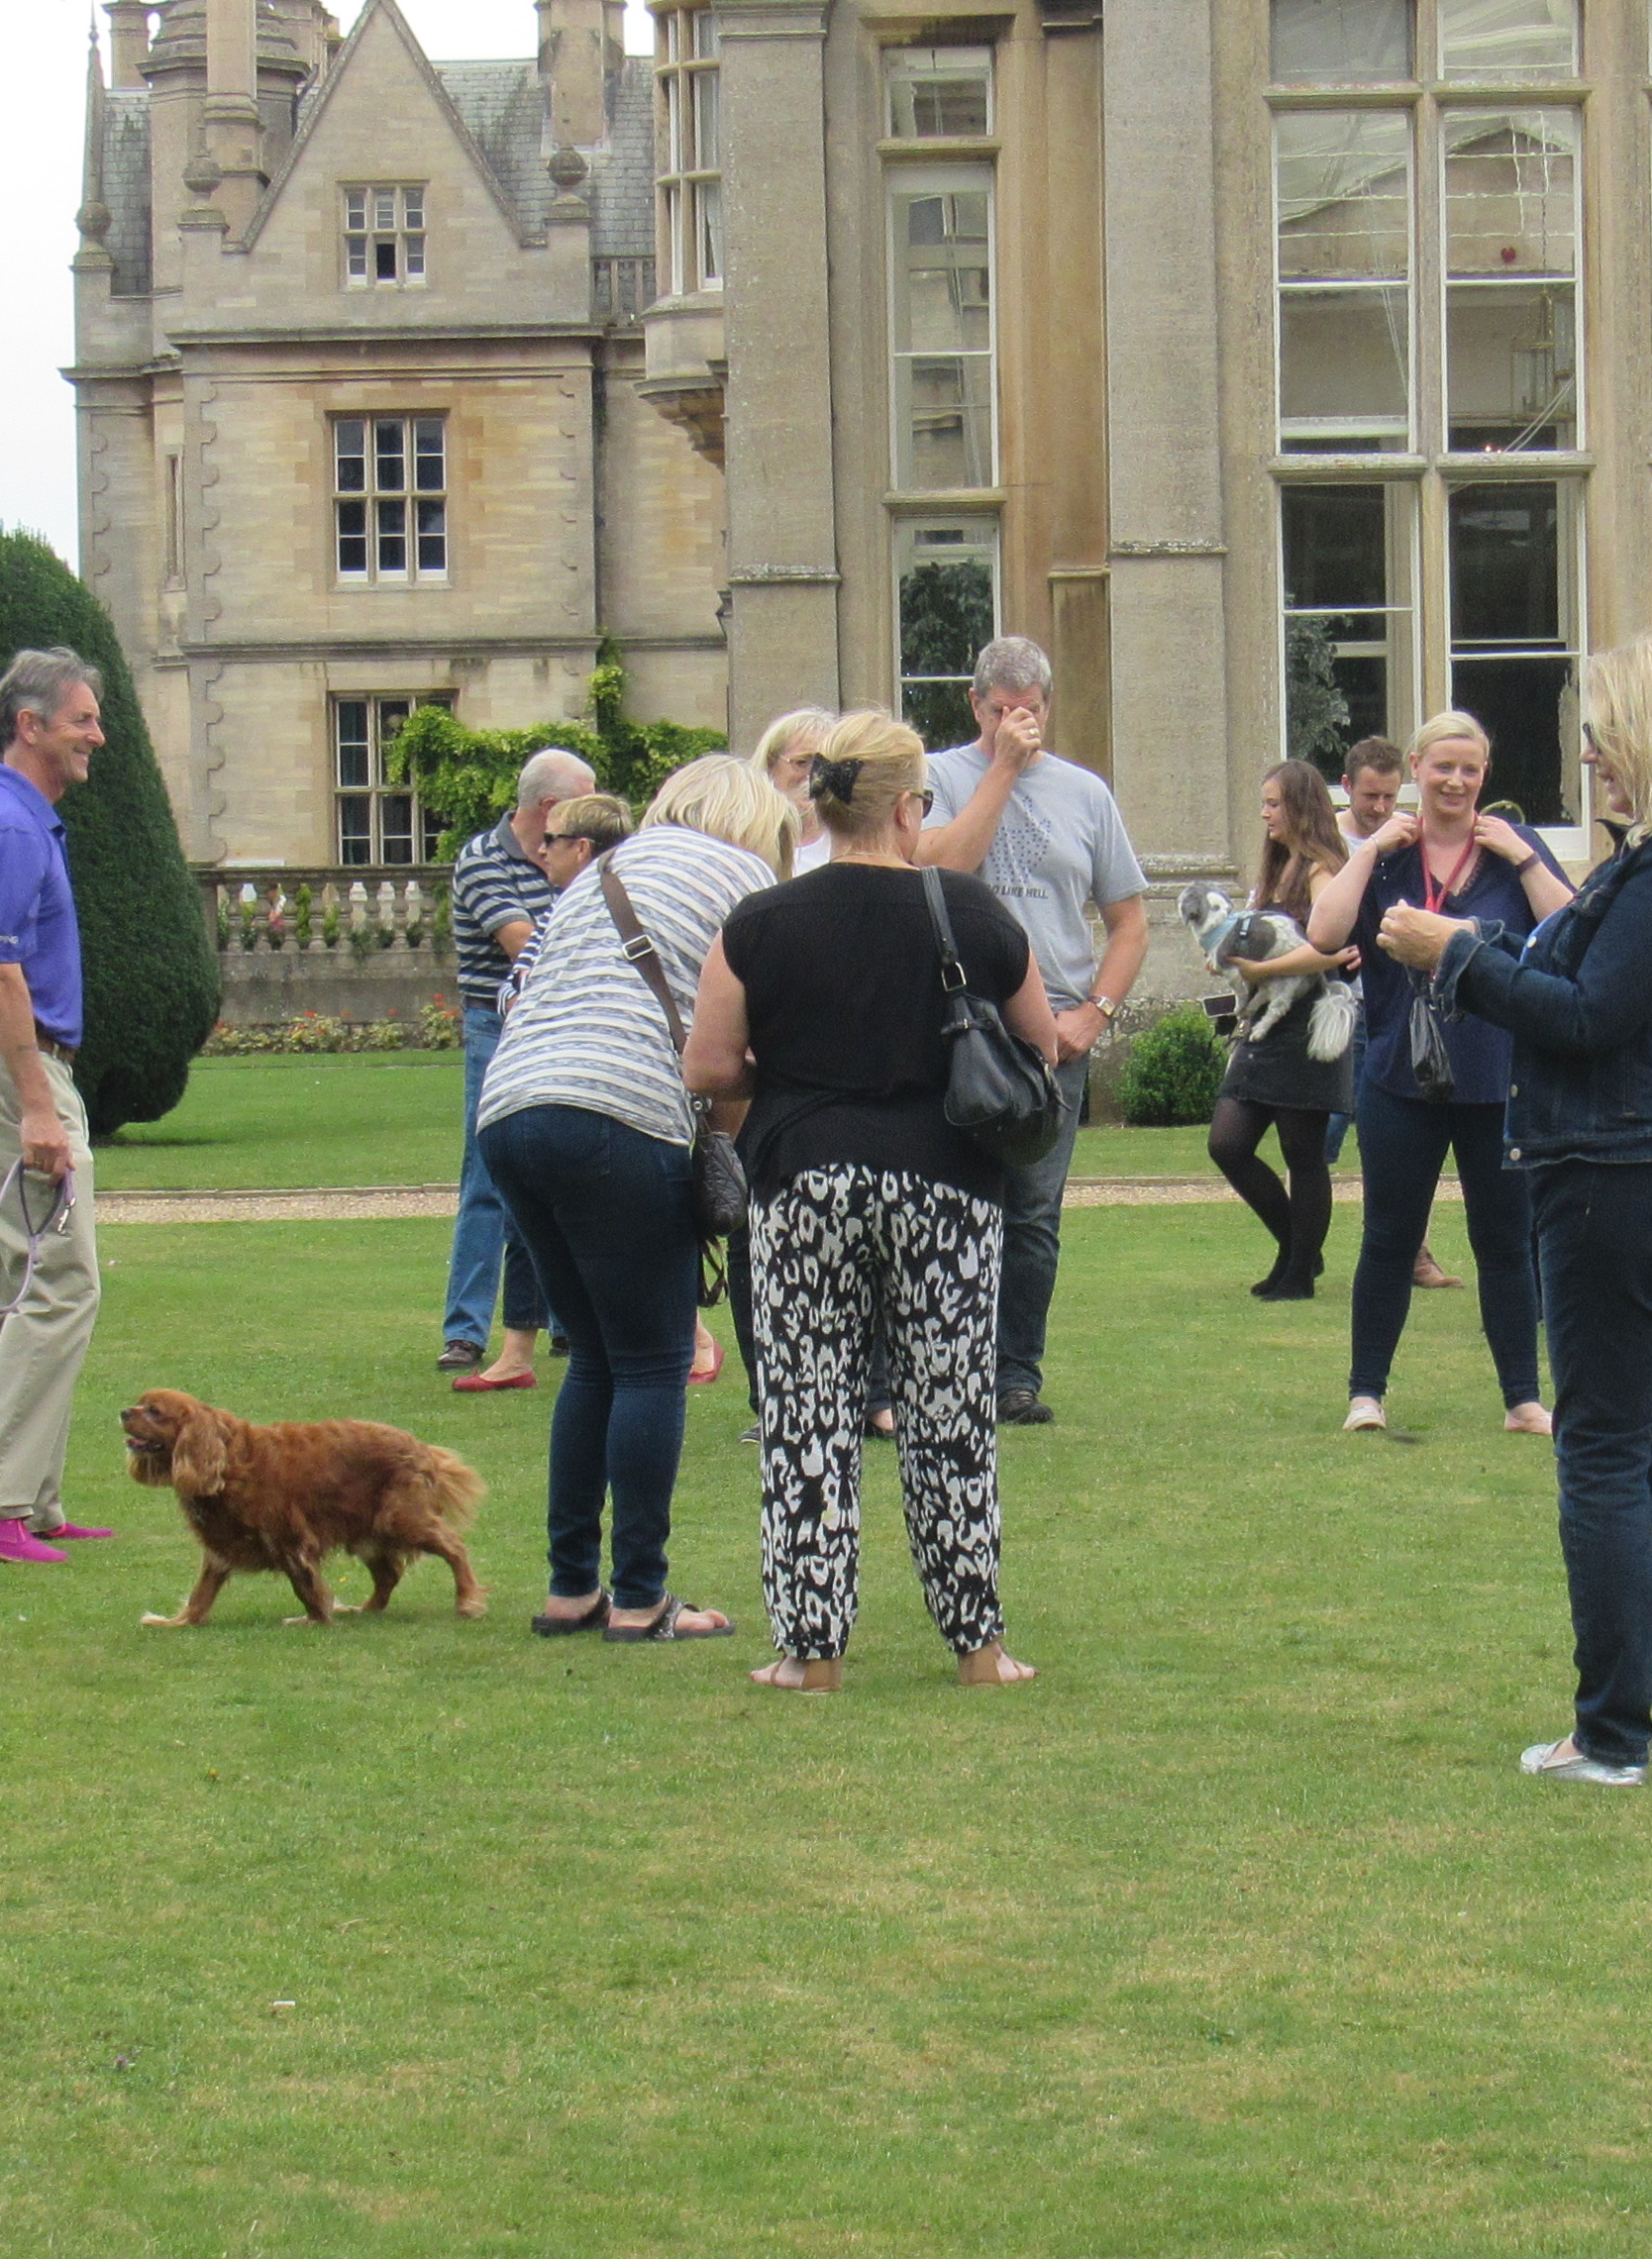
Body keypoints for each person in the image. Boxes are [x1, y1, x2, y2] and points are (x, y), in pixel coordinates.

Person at [1379, 637, 1652, 1786]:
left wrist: (1455, 953)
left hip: (1630, 1180)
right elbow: (1572, 963)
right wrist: (1480, 946)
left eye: (1606, 728)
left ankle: (1609, 1735)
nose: (1592, 750)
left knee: (1605, 1453)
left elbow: (1589, 1011)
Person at [688, 712, 1052, 1693]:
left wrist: (796, 1076)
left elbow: (708, 1063)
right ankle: (979, 1650)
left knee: (806, 1416)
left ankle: (812, 1656)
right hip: (946, 1185)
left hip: (803, 1180)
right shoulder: (970, 914)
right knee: (950, 1417)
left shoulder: (760, 924)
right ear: (905, 808)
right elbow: (1041, 1045)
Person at [472, 756, 791, 1642]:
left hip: (512, 1109)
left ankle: (571, 1587)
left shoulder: (597, 874)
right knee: (653, 1362)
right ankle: (643, 1595)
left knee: (597, 1361)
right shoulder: (745, 879)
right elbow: (746, 1036)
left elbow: (513, 993)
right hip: (621, 1114)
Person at [1303, 709, 1573, 1435]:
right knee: (1388, 1238)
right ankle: (1367, 1394)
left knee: (1506, 1242)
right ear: (1415, 768)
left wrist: (1522, 858)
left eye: (1471, 769)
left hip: (1498, 1078)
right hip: (1398, 1078)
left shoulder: (1515, 850)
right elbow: (1324, 934)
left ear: (1485, 776)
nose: (1455, 781)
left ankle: (1522, 1398)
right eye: (1442, 766)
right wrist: (1365, 852)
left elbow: (1571, 940)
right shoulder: (1388, 854)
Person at [916, 639, 1148, 1426]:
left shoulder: (1085, 793)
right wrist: (1004, 770)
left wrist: (1097, 1012)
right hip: (955, 1022)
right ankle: (943, 1368)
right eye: (1002, 708)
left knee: (1033, 1214)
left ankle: (1016, 1375)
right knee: (946, 1200)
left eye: (1033, 708)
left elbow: (1129, 922)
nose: (1020, 720)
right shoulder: (937, 778)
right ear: (975, 706)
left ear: (1050, 706)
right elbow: (940, 872)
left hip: (1052, 1031)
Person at [0, 649, 114, 1567]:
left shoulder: (22, 821)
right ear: (30, 725)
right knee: (63, 1278)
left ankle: (28, 1499)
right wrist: (38, 1107)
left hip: (6, 1072)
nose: (98, 735)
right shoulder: (7, 828)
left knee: (19, 1286)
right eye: (82, 719)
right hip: (14, 1074)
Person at [443, 747, 596, 1390]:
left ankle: (563, 1323)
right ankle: (465, 1329)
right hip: (497, 1025)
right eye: (585, 796)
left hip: (561, 1023)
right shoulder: (485, 861)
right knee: (488, 1179)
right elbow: (527, 945)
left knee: (559, 1174)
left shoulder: (574, 858)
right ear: (550, 807)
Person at [1209, 762, 1356, 1299]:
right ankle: (1301, 1251)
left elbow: (1331, 949)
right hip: (1266, 1025)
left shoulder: (1322, 867)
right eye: (1264, 803)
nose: (1266, 813)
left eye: (1273, 803)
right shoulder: (1275, 865)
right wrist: (1226, 955)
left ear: (1299, 806)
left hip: (1309, 1023)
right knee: (1228, 1143)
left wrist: (1260, 971)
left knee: (1303, 1152)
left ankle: (1296, 1272)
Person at [1332, 736, 1452, 1284]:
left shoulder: (1410, 838)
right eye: (1370, 797)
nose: (1380, 808)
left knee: (1406, 1138)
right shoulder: (1327, 837)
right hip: (1331, 1009)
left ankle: (1414, 1252)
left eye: (1388, 797)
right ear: (1346, 786)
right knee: (1319, 1142)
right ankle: (1300, 1248)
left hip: (1393, 1011)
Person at [752, 710, 841, 873]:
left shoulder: (849, 842)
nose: (815, 775)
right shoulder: (749, 841)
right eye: (801, 762)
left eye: (826, 764)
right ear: (770, 765)